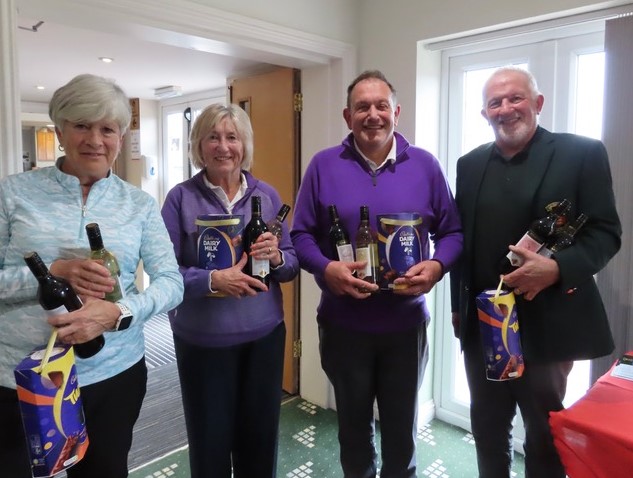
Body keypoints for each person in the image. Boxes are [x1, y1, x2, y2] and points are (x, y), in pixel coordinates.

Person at [0, 74, 184, 478]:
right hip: (23, 377)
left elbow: (171, 282)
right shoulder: (13, 193)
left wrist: (116, 313)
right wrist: (52, 273)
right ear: (60, 130)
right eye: (82, 125)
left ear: (120, 136)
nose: (95, 140)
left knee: (104, 470)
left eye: (107, 129)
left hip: (113, 374)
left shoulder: (138, 204)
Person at [450, 66, 622, 478]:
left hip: (549, 325)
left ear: (537, 103)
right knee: (488, 427)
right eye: (495, 102)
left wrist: (557, 269)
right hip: (485, 324)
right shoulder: (469, 164)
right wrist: (459, 310)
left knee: (544, 436)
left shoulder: (582, 153)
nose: (506, 109)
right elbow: (463, 241)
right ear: (485, 113)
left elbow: (606, 233)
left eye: (516, 98)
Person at [291, 70, 463, 477]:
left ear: (396, 113)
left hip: (404, 327)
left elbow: (453, 231)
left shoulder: (424, 165)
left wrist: (437, 267)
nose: (373, 115)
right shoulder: (322, 165)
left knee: (401, 433)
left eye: (381, 105)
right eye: (362, 107)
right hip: (343, 324)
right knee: (352, 431)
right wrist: (326, 267)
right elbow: (300, 234)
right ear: (347, 116)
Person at [160, 103, 299, 478]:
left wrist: (276, 259)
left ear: (244, 145)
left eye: (232, 137)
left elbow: (291, 264)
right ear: (199, 145)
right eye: (213, 137)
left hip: (264, 339)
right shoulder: (180, 199)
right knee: (210, 445)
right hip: (203, 343)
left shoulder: (266, 196)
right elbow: (164, 273)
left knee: (260, 440)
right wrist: (212, 280)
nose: (223, 146)